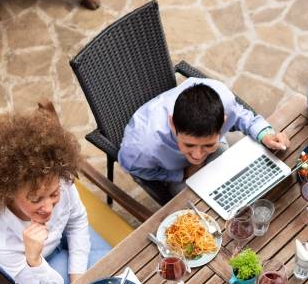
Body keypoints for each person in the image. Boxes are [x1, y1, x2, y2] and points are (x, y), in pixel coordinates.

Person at [0, 107, 110, 284]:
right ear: (8, 192)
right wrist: (34, 260)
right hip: (31, 270)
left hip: (59, 239)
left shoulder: (57, 177)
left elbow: (77, 221)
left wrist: (78, 277)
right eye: (36, 199)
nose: (48, 208)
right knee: (108, 268)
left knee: (110, 263)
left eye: (53, 194)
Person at [118, 78, 289, 206]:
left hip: (207, 155)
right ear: (172, 124)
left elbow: (243, 116)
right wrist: (181, 174)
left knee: (246, 184)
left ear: (222, 122)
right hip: (177, 171)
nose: (198, 156)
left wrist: (266, 134)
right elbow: (132, 168)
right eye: (189, 145)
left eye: (207, 144)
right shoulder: (141, 148)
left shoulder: (225, 100)